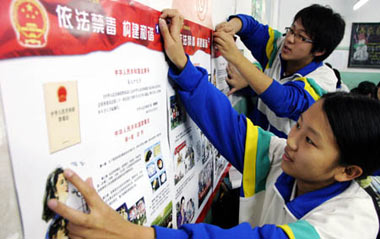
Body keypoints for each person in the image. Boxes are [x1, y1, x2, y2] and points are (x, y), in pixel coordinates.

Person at [47, 9, 380, 239]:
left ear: (348, 171)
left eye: (310, 141)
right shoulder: (286, 159)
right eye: (298, 127)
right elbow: (229, 127)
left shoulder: (349, 224)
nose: (291, 141)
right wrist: (182, 64)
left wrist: (135, 233)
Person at [214, 4, 345, 138]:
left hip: (283, 154)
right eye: (291, 30)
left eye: (301, 37)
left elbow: (284, 101)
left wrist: (237, 57)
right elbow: (252, 28)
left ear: (319, 50)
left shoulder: (324, 81)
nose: (289, 39)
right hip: (254, 143)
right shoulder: (279, 47)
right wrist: (234, 25)